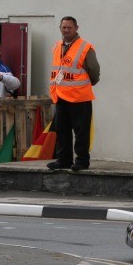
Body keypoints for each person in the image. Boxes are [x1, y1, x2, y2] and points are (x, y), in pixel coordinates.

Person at [47, 16, 100, 172]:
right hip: (60, 95)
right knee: (62, 130)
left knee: (81, 132)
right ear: (60, 28)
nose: (66, 30)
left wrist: (88, 83)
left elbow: (94, 71)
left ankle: (82, 161)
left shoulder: (85, 47)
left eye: (69, 27)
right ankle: (63, 160)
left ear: (76, 28)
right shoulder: (57, 46)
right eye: (63, 27)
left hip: (79, 97)